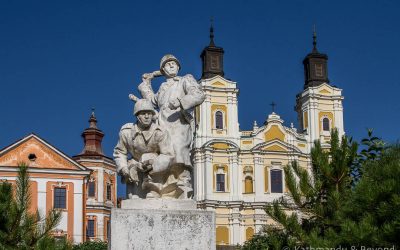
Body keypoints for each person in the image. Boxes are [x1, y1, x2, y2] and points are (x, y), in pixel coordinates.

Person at [138, 54, 205, 199]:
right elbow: (152, 101)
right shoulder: (162, 87)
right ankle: (162, 187)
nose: (172, 66)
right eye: (168, 64)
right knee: (164, 154)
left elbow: (199, 94)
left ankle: (183, 185)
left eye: (174, 63)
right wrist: (146, 84)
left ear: (179, 67)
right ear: (163, 70)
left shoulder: (185, 80)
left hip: (179, 123)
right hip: (162, 124)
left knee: (179, 152)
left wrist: (182, 101)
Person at [113, 99, 175, 198]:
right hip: (134, 166)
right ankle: (136, 192)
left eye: (149, 113)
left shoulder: (160, 132)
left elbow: (168, 155)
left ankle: (154, 190)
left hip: (155, 165)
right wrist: (123, 168)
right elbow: (120, 152)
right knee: (131, 166)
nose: (147, 116)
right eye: (143, 113)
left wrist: (153, 165)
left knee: (147, 157)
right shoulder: (126, 132)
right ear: (137, 116)